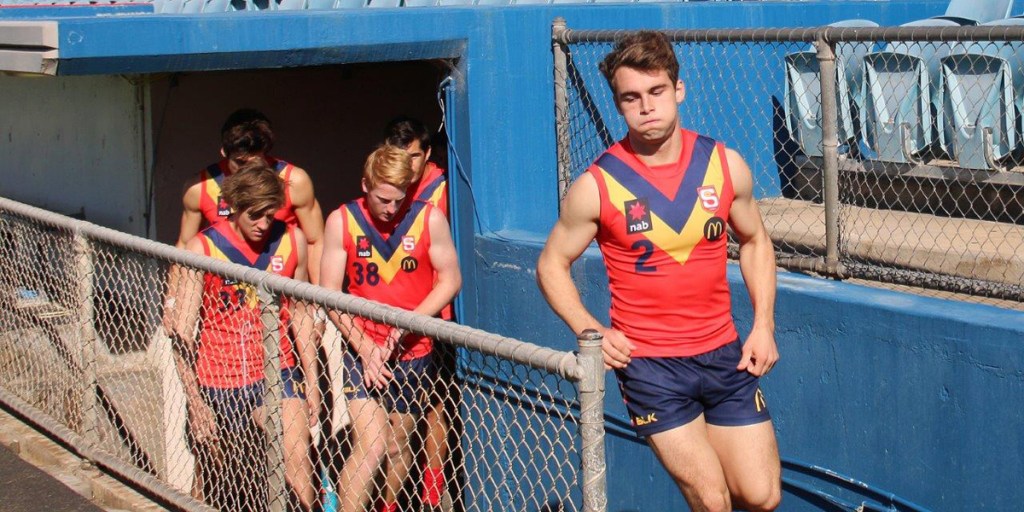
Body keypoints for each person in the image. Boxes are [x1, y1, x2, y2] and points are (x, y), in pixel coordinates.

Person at [536, 31, 782, 512]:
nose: (646, 107)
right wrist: (589, 329)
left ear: (678, 90)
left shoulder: (724, 164)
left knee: (762, 494)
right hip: (650, 367)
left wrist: (764, 325)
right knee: (711, 500)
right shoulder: (597, 185)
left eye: (656, 92)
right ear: (618, 105)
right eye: (631, 98)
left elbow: (756, 240)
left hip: (724, 355)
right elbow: (550, 264)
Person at [167, 162, 319, 511]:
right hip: (220, 375)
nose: (264, 225)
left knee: (296, 455)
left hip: (276, 367)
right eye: (255, 216)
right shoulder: (202, 248)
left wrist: (311, 379)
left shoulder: (291, 240)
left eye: (271, 215)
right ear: (235, 207)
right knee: (217, 475)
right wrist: (195, 403)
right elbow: (181, 332)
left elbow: (299, 312)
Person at [320, 145, 461, 512]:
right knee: (372, 444)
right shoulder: (342, 220)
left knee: (399, 443)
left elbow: (450, 280)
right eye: (383, 199)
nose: (391, 209)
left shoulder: (428, 219)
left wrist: (406, 326)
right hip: (360, 345)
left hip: (414, 349)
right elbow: (329, 294)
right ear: (365, 185)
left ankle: (387, 505)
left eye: (400, 200)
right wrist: (365, 346)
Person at [384, 116, 452, 510]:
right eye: (399, 156)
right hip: (393, 319)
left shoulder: (442, 189)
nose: (407, 165)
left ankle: (431, 494)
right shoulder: (392, 188)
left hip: (437, 317)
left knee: (435, 405)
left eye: (413, 157)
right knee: (396, 417)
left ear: (427, 154)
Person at [175, 108, 325, 284]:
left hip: (279, 285)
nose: (247, 170)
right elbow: (184, 248)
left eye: (255, 162)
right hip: (227, 292)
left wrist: (320, 300)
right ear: (224, 152)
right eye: (240, 162)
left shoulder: (293, 181)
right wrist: (172, 303)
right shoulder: (200, 187)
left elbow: (315, 242)